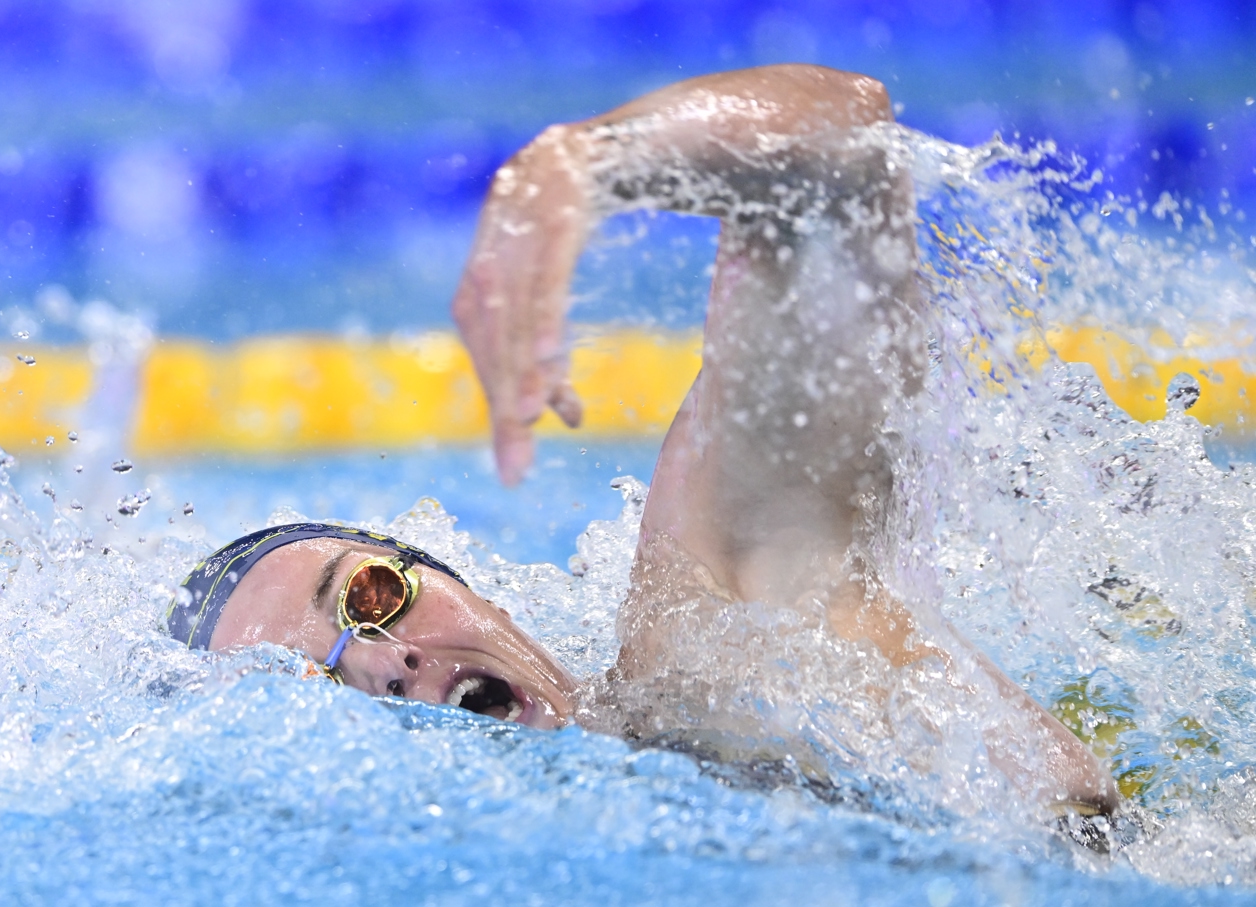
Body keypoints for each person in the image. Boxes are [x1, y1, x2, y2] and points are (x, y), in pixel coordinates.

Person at [168, 64, 1119, 821]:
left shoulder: (721, 632)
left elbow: (840, 153)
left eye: (372, 597)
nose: (385, 664)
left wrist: (578, 163)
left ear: (464, 584)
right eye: (318, 690)